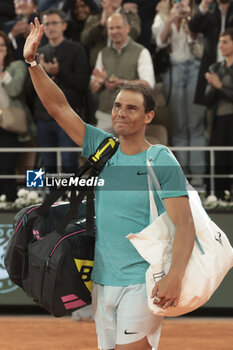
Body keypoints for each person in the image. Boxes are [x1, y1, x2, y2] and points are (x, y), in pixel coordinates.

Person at [23, 17, 196, 350]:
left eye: (131, 108)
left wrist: (175, 276)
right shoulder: (103, 147)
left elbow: (184, 225)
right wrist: (32, 63)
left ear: (148, 116)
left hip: (144, 282)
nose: (121, 113)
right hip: (101, 282)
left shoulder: (160, 159)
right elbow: (59, 107)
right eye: (117, 106)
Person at [26, 8, 90, 176]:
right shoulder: (36, 52)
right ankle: (51, 201)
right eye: (46, 23)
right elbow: (30, 88)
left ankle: (71, 200)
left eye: (54, 23)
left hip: (69, 117)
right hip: (43, 117)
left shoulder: (76, 49)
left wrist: (58, 72)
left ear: (64, 25)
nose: (50, 27)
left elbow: (83, 83)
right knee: (48, 165)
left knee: (69, 163)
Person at [152, 0, 206, 185]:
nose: (181, 4)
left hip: (195, 68)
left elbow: (195, 39)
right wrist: (172, 20)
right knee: (179, 126)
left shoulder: (197, 15)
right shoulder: (161, 16)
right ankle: (183, 178)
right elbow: (160, 41)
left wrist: (188, 20)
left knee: (196, 125)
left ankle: (199, 178)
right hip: (173, 70)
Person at [90, 12, 155, 132]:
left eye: (118, 27)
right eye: (111, 28)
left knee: (129, 150)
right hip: (105, 114)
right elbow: (93, 89)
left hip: (131, 116)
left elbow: (148, 85)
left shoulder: (141, 52)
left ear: (127, 28)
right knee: (101, 150)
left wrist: (123, 83)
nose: (114, 31)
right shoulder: (103, 53)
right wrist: (99, 83)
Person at [0, 31, 29, 200]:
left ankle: (10, 210)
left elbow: (14, 90)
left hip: (10, 127)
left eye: (2, 45)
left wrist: (2, 69)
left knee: (6, 169)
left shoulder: (16, 66)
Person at [204, 28, 233, 198]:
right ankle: (217, 197)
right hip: (219, 122)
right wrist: (213, 85)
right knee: (218, 162)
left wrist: (220, 86)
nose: (220, 45)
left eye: (225, 42)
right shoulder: (216, 67)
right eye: (220, 41)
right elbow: (207, 100)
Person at [189, 0, 233, 105]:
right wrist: (204, 5)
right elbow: (194, 27)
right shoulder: (210, 10)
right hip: (212, 65)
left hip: (231, 66)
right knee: (210, 107)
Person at [80, 0, 141, 69]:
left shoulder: (130, 15)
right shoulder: (94, 17)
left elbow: (134, 33)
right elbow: (84, 39)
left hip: (124, 65)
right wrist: (100, 25)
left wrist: (115, 20)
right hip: (98, 66)